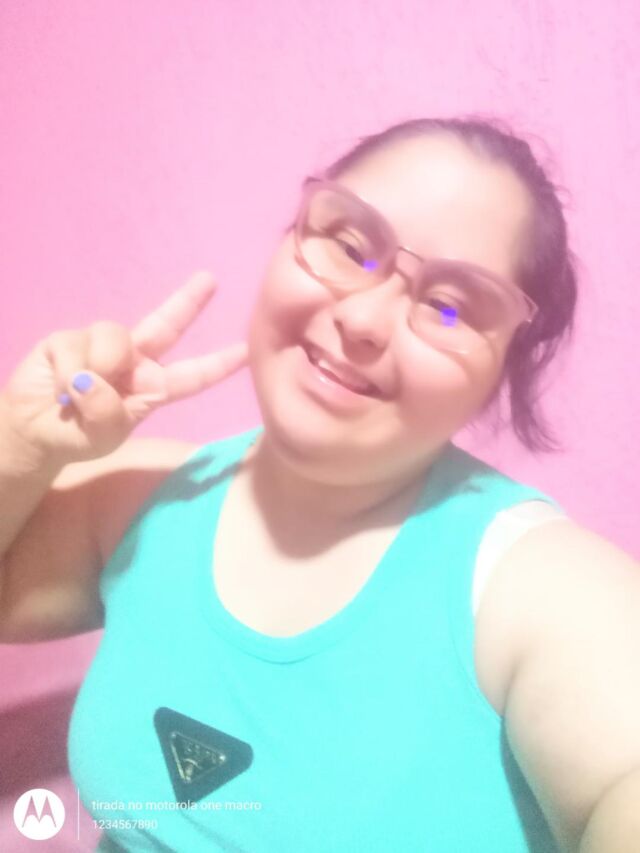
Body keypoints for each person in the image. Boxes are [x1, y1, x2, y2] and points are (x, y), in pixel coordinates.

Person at [1, 116, 639, 853]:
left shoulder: (534, 587)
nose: (364, 319)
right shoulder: (148, 498)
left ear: (503, 372)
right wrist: (22, 446)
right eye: (349, 244)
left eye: (451, 307)